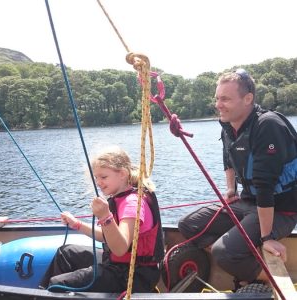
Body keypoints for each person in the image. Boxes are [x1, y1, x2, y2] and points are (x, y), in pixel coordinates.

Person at [178, 69, 297, 289]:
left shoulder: (268, 126)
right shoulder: (228, 125)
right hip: (247, 203)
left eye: (225, 99)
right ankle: (246, 260)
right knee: (188, 225)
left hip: (280, 210)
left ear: (248, 99)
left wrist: (267, 237)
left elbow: (265, 188)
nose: (218, 104)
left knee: (224, 252)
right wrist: (231, 190)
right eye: (217, 98)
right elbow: (229, 159)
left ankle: (270, 279)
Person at [40, 146, 164, 293]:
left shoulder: (132, 203)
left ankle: (44, 293)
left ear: (122, 174)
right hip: (119, 263)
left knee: (57, 284)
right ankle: (40, 293)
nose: (98, 182)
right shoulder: (119, 197)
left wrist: (105, 216)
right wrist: (77, 224)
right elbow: (108, 237)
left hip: (133, 274)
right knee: (65, 253)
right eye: (96, 178)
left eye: (103, 177)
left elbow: (120, 248)